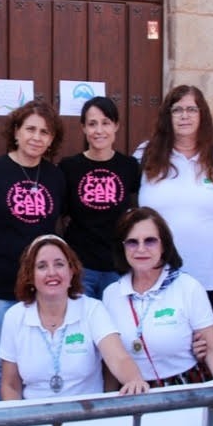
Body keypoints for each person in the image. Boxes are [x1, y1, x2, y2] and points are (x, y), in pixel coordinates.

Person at [0, 100, 67, 402]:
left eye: (45, 132)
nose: (36, 137)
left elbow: (59, 226)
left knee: (41, 356)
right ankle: (1, 421)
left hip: (43, 286)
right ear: (16, 131)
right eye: (30, 129)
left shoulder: (55, 177)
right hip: (1, 282)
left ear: (52, 139)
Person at [0, 235, 149, 399]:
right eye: (42, 266)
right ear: (30, 276)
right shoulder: (14, 316)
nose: (52, 272)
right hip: (36, 413)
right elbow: (10, 384)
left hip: (87, 412)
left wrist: (134, 379)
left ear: (71, 272)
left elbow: (119, 358)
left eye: (59, 264)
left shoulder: (92, 309)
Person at [101, 207, 213, 388]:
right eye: (132, 242)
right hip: (133, 394)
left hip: (185, 390)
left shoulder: (188, 287)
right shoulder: (111, 294)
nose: (141, 249)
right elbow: (110, 362)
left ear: (164, 245)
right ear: (122, 248)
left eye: (150, 241)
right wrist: (109, 401)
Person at [134, 85, 213, 316]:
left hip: (207, 278)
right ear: (167, 116)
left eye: (191, 109)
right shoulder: (146, 154)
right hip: (155, 275)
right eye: (177, 110)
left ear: (202, 114)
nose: (184, 116)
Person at [57, 96, 140, 299]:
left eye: (106, 123)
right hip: (80, 266)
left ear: (116, 126)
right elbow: (58, 215)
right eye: (92, 124)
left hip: (118, 266)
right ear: (83, 128)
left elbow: (136, 211)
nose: (99, 130)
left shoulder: (129, 166)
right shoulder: (69, 167)